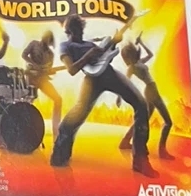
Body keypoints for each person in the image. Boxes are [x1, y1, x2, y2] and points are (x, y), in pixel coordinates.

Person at [50, 14, 155, 175]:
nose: (80, 33)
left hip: (109, 74)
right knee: (77, 114)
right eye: (77, 30)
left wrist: (115, 42)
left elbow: (105, 58)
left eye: (81, 30)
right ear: (69, 31)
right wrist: (88, 55)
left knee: (141, 104)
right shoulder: (66, 46)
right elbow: (71, 70)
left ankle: (140, 160)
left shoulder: (90, 43)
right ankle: (59, 154)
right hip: (91, 80)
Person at [119, 35, 174, 159]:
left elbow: (150, 55)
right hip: (151, 91)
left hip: (151, 90)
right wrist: (119, 97)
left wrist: (142, 43)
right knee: (168, 122)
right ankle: (162, 151)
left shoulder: (138, 63)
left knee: (143, 120)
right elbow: (125, 82)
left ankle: (125, 141)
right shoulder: (132, 67)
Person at [21, 29, 63, 137]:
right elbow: (24, 55)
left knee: (58, 99)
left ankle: (56, 132)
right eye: (45, 36)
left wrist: (50, 71)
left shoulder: (51, 54)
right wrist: (34, 65)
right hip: (31, 77)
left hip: (43, 79)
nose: (46, 39)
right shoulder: (34, 44)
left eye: (48, 38)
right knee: (27, 103)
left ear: (50, 40)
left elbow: (48, 69)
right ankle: (23, 129)